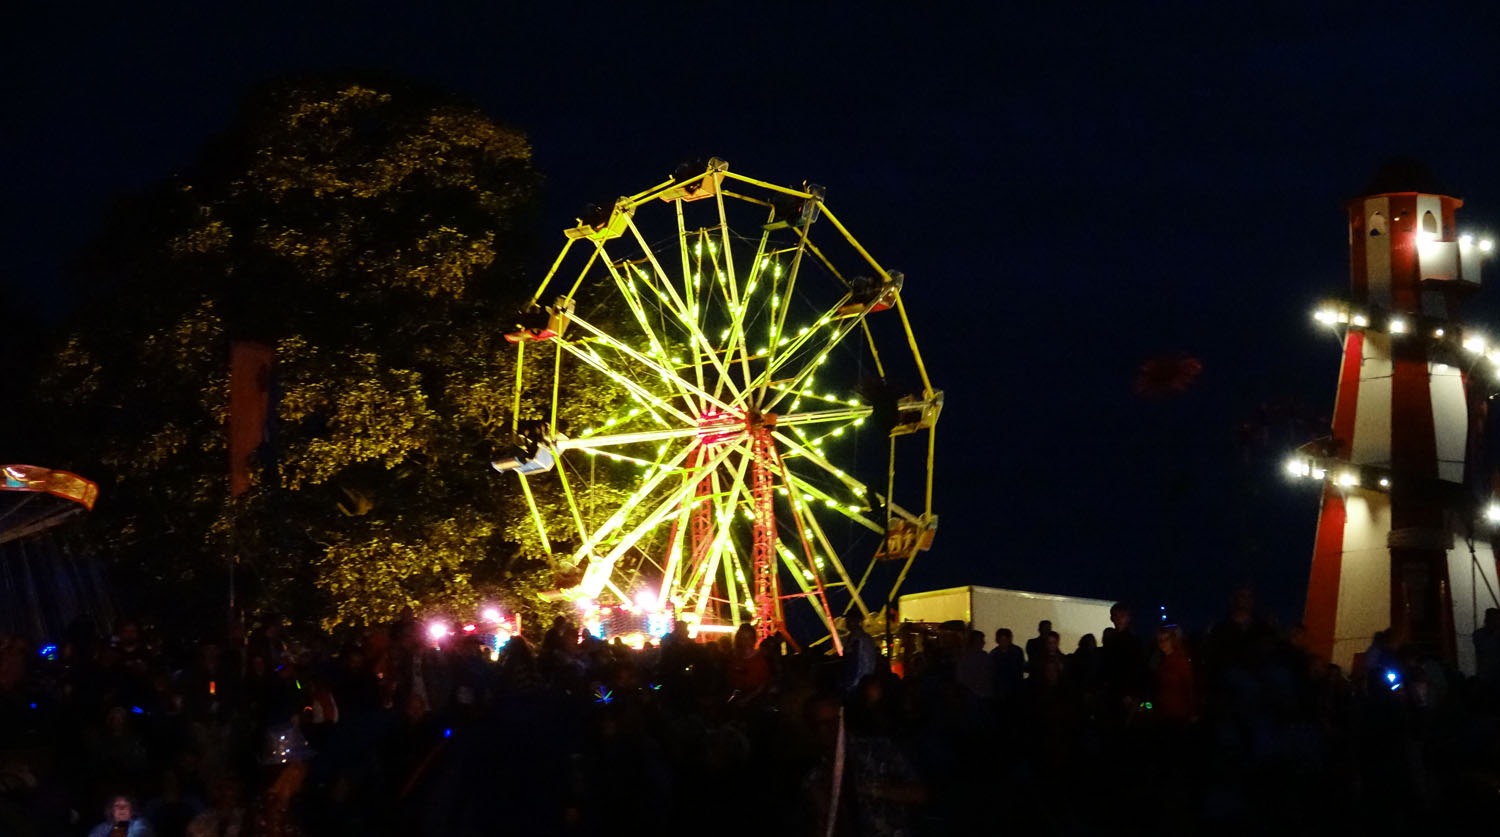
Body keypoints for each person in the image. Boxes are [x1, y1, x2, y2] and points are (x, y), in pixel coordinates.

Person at [89, 795, 155, 837]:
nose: (121, 808)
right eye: (117, 805)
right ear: (111, 810)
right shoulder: (102, 828)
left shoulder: (141, 825)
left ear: (132, 810)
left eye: (126, 805)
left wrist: (121, 825)